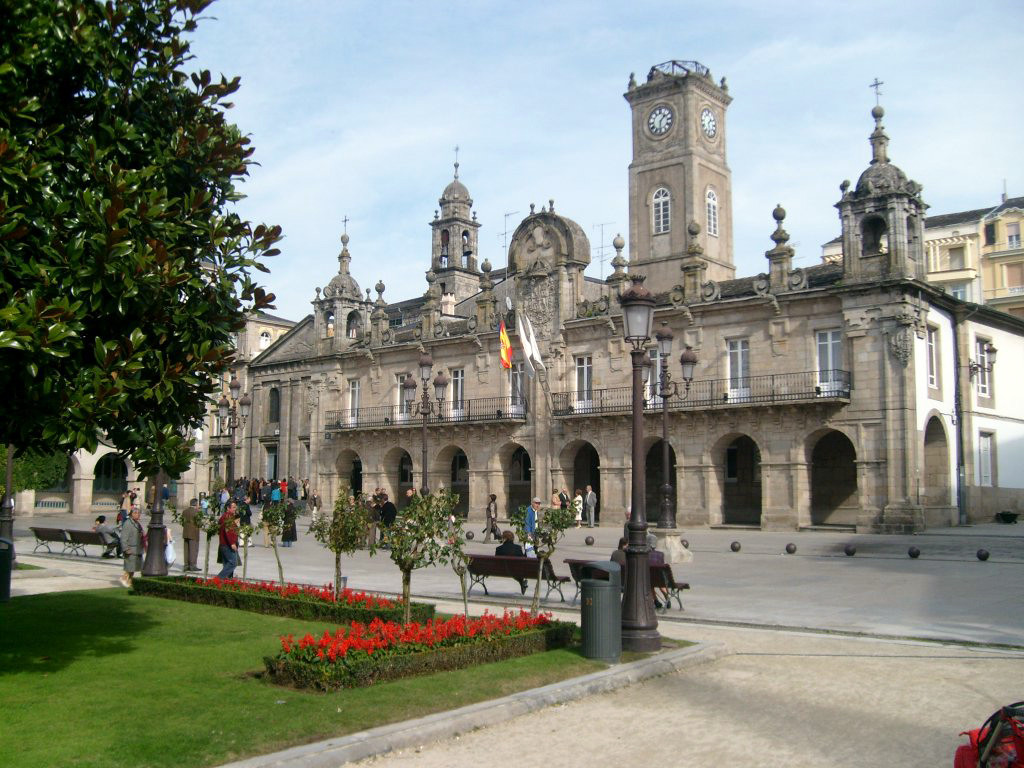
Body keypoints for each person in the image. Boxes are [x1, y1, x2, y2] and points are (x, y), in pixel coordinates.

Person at [119, 507, 145, 587]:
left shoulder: (137, 523)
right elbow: (123, 538)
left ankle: (130, 581)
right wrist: (126, 549)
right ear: (131, 514)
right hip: (131, 548)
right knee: (130, 567)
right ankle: (123, 578)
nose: (138, 515)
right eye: (136, 513)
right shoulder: (128, 523)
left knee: (135, 567)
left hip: (137, 549)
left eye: (139, 513)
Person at [216, 501, 239, 578]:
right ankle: (218, 579)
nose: (235, 509)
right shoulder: (227, 517)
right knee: (233, 563)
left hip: (225, 543)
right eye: (233, 507)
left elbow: (237, 527)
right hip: (227, 544)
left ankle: (227, 581)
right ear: (228, 508)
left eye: (235, 507)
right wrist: (232, 543)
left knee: (227, 564)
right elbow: (228, 531)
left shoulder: (231, 516)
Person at [181, 497, 201, 572]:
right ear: (196, 504)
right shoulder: (197, 512)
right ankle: (192, 565)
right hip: (194, 533)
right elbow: (199, 523)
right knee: (193, 549)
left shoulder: (184, 511)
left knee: (186, 549)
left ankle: (186, 565)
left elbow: (182, 522)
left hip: (186, 532)